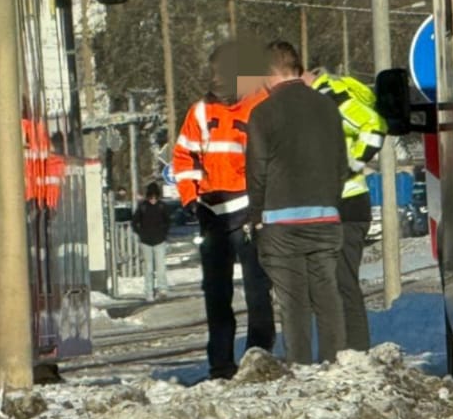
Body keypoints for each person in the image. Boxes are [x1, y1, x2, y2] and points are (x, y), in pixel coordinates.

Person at [171, 41, 276, 379]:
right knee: (216, 295)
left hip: (250, 210)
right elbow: (184, 157)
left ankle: (258, 357)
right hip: (211, 212)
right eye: (213, 72)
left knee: (257, 291)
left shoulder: (261, 105)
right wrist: (190, 198)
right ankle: (220, 364)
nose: (216, 79)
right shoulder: (200, 112)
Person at [245, 41, 350, 365]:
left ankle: (301, 367)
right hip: (325, 218)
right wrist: (329, 202)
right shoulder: (327, 107)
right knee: (327, 296)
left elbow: (257, 171)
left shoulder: (262, 113)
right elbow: (341, 165)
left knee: (293, 303)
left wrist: (256, 216)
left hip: (281, 223)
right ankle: (336, 364)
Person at [307, 67, 388, 353]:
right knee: (332, 284)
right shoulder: (321, 96)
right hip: (335, 204)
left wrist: (351, 166)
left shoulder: (330, 96)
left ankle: (355, 351)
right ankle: (344, 350)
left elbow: (374, 125)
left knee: (342, 283)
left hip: (346, 204)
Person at [131, 181, 171, 300]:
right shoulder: (142, 207)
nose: (153, 199)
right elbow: (134, 222)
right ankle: (149, 292)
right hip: (146, 242)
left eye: (155, 197)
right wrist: (140, 233)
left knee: (160, 268)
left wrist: (164, 233)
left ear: (158, 196)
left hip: (159, 241)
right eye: (151, 197)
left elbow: (168, 221)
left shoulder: (162, 206)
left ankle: (162, 290)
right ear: (148, 196)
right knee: (148, 269)